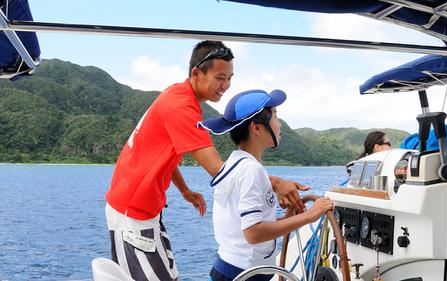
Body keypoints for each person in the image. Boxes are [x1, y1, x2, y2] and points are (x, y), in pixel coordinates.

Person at [104, 40, 308, 281]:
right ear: (196, 73)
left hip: (145, 210)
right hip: (133, 213)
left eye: (230, 78)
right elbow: (222, 172)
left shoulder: (177, 95)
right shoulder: (181, 108)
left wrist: (184, 190)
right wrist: (277, 183)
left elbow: (162, 154)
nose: (226, 85)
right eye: (220, 78)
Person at [198, 89, 335, 281]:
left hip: (230, 269)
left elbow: (246, 226)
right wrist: (310, 216)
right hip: (246, 274)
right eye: (276, 117)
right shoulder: (251, 170)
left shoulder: (236, 163)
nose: (279, 125)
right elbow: (253, 233)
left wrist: (295, 218)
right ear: (256, 128)